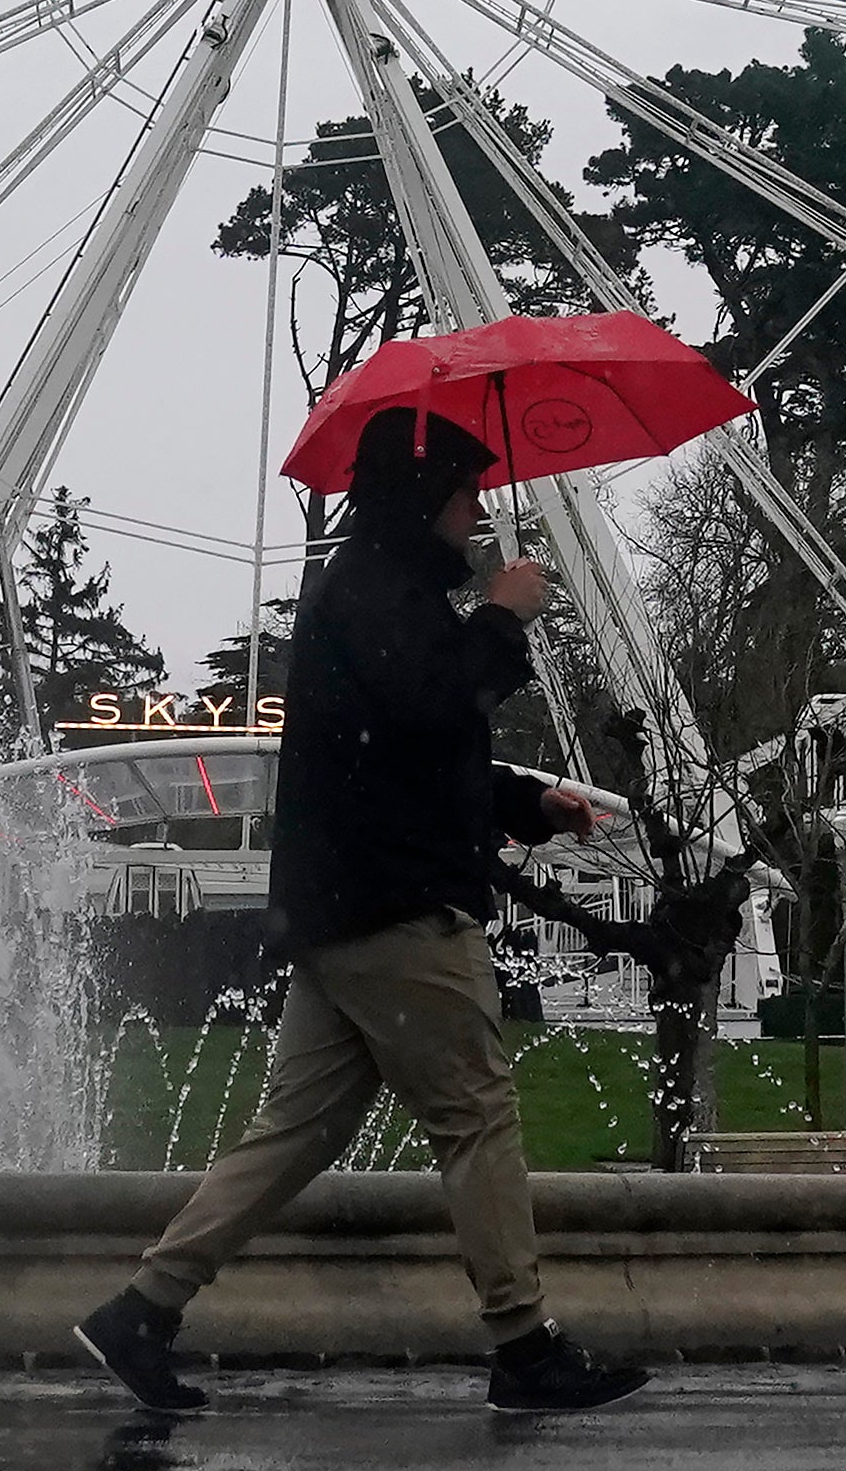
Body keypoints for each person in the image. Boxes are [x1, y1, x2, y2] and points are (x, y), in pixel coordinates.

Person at [76, 406, 654, 1418]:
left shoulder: (375, 590)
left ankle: (142, 1308)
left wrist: (526, 802)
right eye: (467, 493)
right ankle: (522, 1344)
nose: (480, 514)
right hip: (395, 907)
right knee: (475, 1114)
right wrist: (504, 615)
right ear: (424, 496)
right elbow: (431, 707)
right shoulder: (381, 592)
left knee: (294, 1130)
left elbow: (407, 756)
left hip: (342, 905)